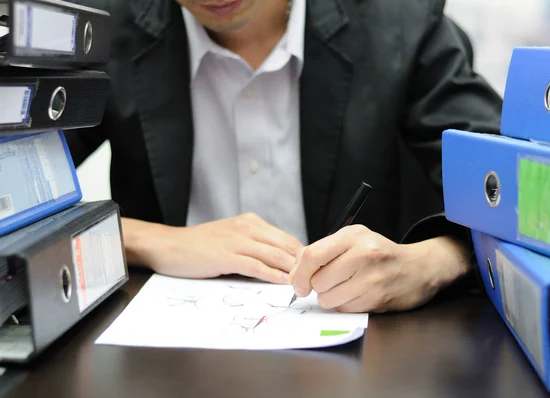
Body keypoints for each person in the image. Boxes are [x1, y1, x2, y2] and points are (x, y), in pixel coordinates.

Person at [67, 0, 503, 313]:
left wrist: (433, 263)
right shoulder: (97, 29)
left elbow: (517, 187)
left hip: (370, 355)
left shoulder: (402, 22)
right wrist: (151, 241)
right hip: (162, 358)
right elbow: (16, 205)